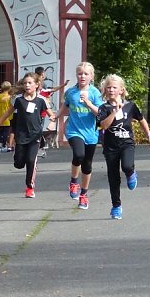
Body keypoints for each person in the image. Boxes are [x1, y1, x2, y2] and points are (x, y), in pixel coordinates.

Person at [96, 74, 150, 220]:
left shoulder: (130, 106)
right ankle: (116, 206)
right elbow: (103, 125)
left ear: (121, 90)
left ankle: (131, 173)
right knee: (113, 177)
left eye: (114, 88)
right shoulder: (103, 108)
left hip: (127, 143)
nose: (111, 90)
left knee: (127, 166)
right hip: (110, 146)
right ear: (105, 90)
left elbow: (141, 120)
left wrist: (149, 136)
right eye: (108, 87)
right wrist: (115, 111)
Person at [0, 73, 53, 198]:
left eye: (30, 83)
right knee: (19, 163)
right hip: (21, 135)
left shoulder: (41, 100)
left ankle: (30, 188)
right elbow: (8, 112)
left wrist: (52, 122)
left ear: (36, 85)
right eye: (25, 83)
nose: (27, 85)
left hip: (35, 136)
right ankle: (18, 156)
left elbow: (51, 115)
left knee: (31, 161)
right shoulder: (19, 99)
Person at [56, 62, 103, 210]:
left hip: (91, 133)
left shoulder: (95, 93)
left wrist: (88, 103)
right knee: (79, 155)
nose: (82, 76)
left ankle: (83, 195)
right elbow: (66, 106)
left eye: (86, 74)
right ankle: (73, 181)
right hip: (74, 131)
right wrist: (56, 116)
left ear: (91, 76)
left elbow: (100, 113)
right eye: (80, 73)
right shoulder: (71, 92)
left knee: (87, 164)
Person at [0, 81, 13, 152]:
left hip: (0, 116)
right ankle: (4, 145)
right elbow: (11, 106)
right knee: (5, 132)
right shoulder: (9, 97)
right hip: (7, 116)